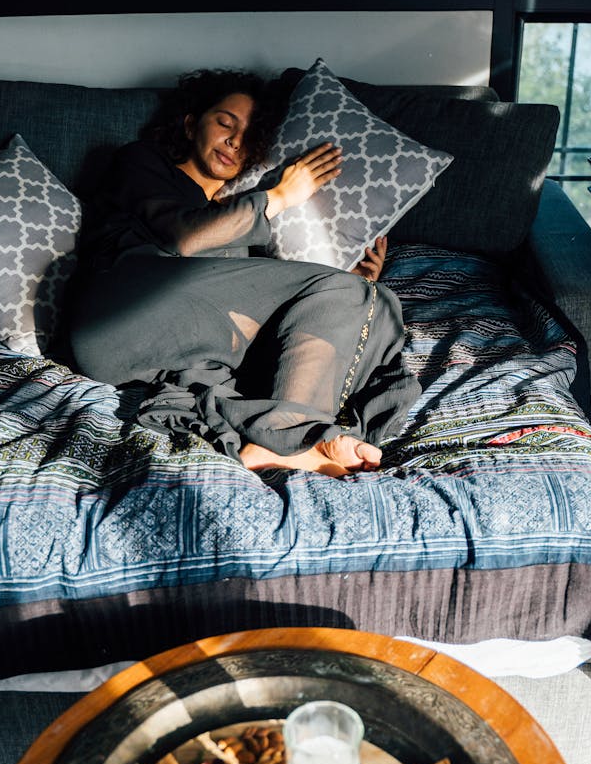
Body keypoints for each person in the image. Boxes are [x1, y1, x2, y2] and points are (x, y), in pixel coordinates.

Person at [70, 69, 420, 476]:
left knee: (368, 307)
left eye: (249, 136)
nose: (236, 141)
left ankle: (271, 450)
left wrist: (355, 297)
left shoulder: (244, 231)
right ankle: (293, 439)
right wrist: (281, 196)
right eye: (224, 122)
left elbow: (286, 322)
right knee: (350, 295)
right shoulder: (142, 162)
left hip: (166, 355)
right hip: (121, 309)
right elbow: (186, 240)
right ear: (190, 124)